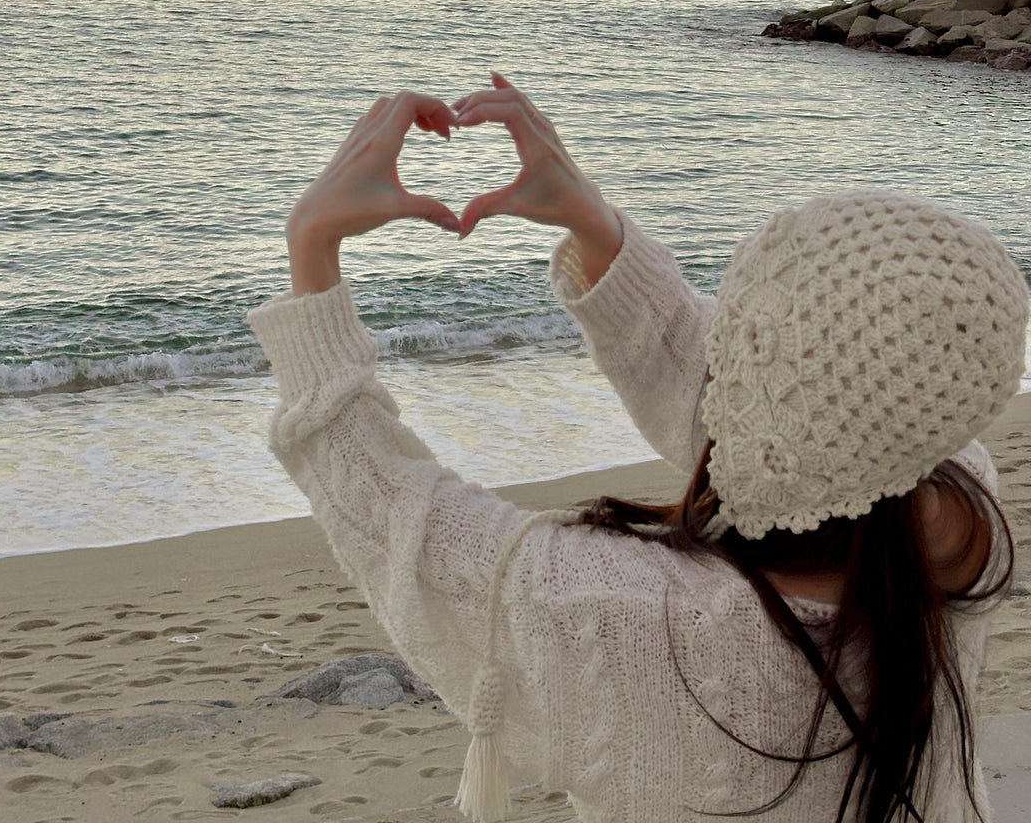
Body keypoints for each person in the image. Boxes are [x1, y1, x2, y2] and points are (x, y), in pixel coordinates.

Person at [247, 75, 1027, 823]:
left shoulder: (629, 614)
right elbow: (780, 411)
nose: (722, 348)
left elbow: (397, 511)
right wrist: (588, 219)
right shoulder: (964, 528)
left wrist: (311, 245)